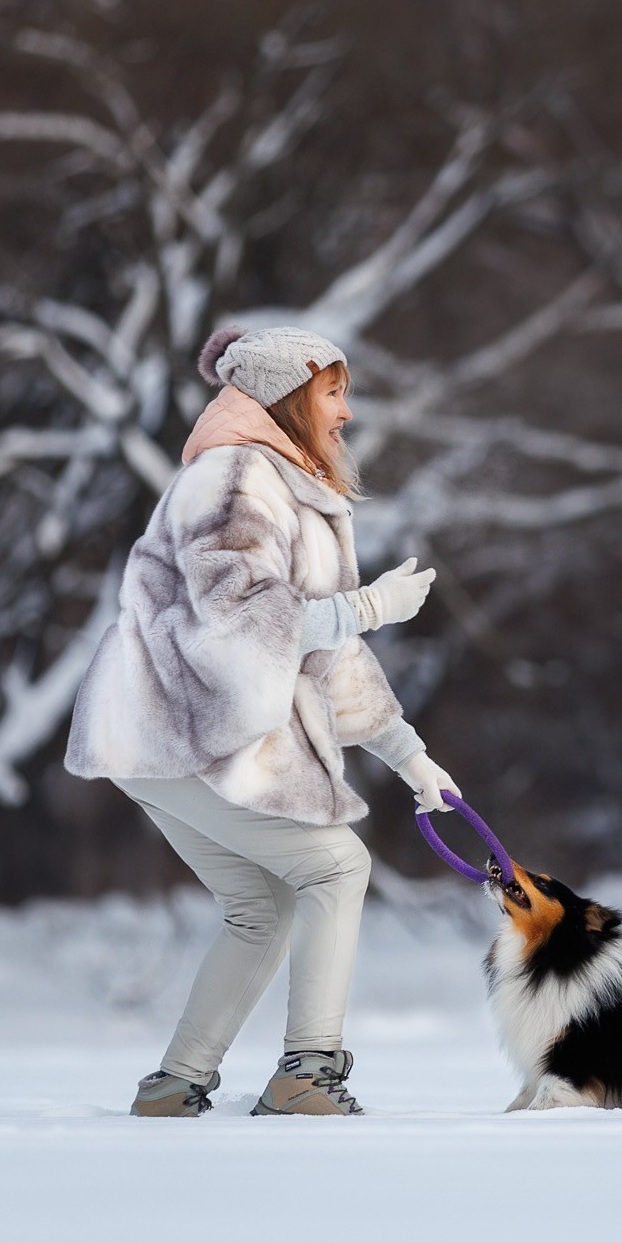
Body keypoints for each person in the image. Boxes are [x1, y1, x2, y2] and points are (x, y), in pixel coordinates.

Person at [64, 325, 455, 1117]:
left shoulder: (295, 490)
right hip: (169, 727)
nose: (346, 414)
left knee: (265, 907)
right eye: (332, 393)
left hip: (177, 735)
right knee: (335, 866)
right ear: (287, 395)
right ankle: (308, 1073)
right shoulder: (237, 478)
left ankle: (177, 1084)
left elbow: (328, 655)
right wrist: (369, 605)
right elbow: (237, 620)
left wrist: (414, 762)